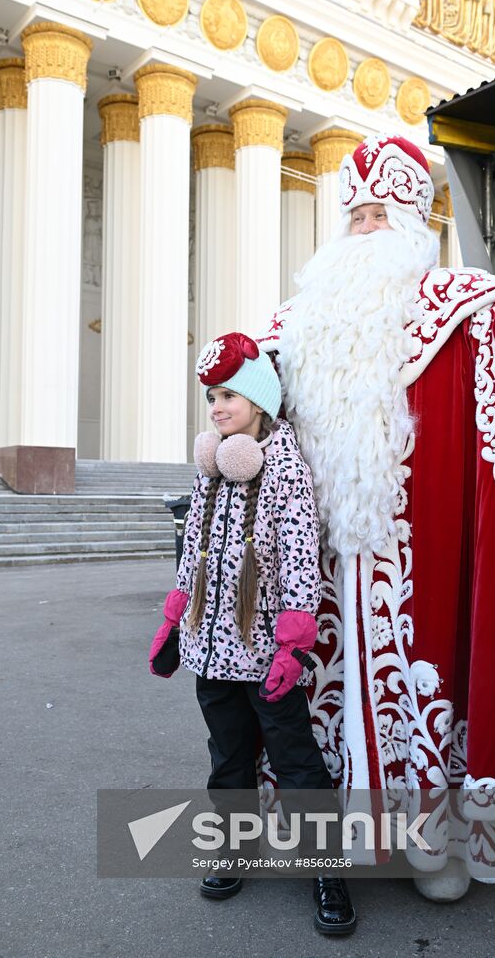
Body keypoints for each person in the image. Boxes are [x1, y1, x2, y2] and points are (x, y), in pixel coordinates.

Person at [255, 133, 495, 898]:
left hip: (424, 554)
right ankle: (331, 842)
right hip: (316, 562)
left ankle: (435, 848)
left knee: (426, 690)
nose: (363, 229)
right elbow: (244, 396)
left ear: (416, 223)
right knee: (318, 692)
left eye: (380, 214)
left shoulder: (463, 304)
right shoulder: (299, 319)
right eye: (354, 216)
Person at [155, 331, 356, 934]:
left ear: (260, 401)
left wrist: (293, 645)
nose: (216, 407)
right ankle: (234, 848)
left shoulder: (284, 467)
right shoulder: (214, 462)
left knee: (297, 762)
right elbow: (194, 544)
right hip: (210, 649)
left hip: (266, 651)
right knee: (228, 759)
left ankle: (327, 872)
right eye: (211, 397)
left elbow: (298, 555)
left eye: (228, 396)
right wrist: (174, 618)